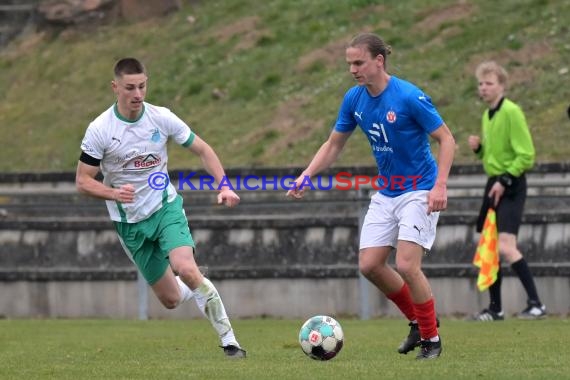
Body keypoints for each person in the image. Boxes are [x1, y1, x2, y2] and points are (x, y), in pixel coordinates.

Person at [287, 33, 455, 360]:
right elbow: (334, 144)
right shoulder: (354, 99)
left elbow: (446, 139)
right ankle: (419, 321)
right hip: (387, 191)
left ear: (379, 61)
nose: (353, 69)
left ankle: (431, 340)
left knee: (406, 264)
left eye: (359, 62)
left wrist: (441, 185)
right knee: (369, 265)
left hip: (419, 189)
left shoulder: (409, 96)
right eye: (350, 63)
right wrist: (307, 174)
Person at [75, 57, 246, 358]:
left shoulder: (161, 117)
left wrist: (224, 185)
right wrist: (113, 193)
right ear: (115, 87)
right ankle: (194, 278)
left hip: (165, 207)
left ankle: (229, 341)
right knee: (169, 299)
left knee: (185, 267)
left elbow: (203, 149)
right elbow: (83, 181)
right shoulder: (101, 129)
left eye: (142, 86)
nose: (138, 94)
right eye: (130, 87)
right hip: (129, 223)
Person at [468, 61, 546, 321]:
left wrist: (505, 180)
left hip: (511, 184)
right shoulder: (487, 115)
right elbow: (493, 158)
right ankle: (495, 309)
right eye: (481, 83)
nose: (484, 88)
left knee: (506, 246)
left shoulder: (512, 111)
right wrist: (480, 150)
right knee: (490, 245)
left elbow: (526, 155)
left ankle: (536, 304)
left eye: (489, 83)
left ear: (502, 86)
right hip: (495, 183)